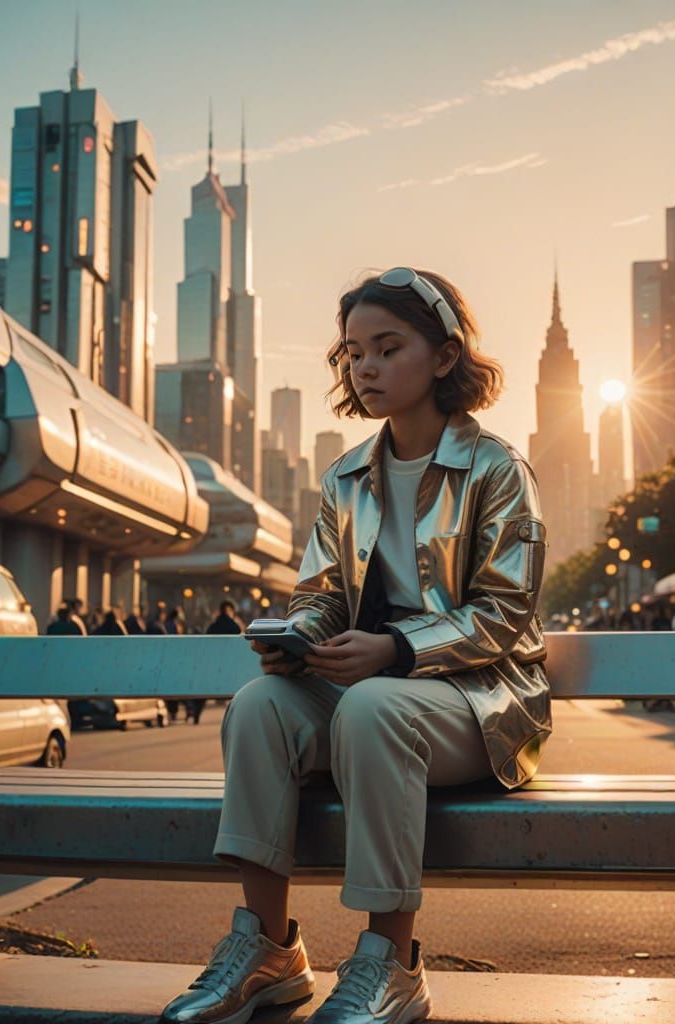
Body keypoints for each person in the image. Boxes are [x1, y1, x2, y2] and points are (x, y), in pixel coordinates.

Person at [161, 268, 551, 1024]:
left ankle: (392, 962)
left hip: (483, 703)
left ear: (444, 356)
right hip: (377, 695)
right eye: (352, 353)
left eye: (386, 347)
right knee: (260, 707)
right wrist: (296, 641)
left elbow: (505, 613)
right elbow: (321, 596)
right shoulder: (346, 478)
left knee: (374, 707)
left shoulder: (498, 469)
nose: (365, 367)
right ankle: (269, 948)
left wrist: (394, 650)